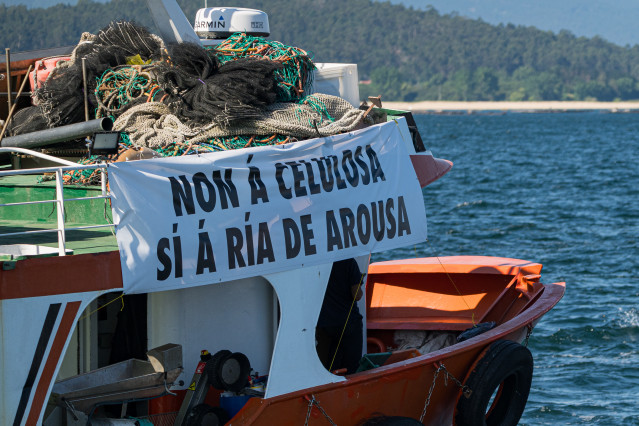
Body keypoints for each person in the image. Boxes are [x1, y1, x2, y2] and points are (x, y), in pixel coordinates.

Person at [316, 258, 365, 374]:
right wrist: (360, 279)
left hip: (324, 324)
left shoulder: (317, 261)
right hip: (348, 323)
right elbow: (357, 295)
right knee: (352, 368)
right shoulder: (349, 261)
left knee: (328, 367)